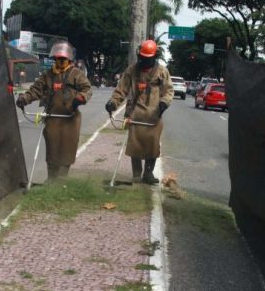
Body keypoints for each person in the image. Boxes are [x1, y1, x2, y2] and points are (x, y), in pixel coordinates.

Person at [15, 41, 93, 180]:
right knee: (52, 150)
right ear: (55, 59)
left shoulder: (76, 74)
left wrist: (81, 98)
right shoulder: (48, 75)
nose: (61, 61)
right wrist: (24, 99)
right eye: (58, 58)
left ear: (69, 59)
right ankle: (51, 180)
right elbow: (35, 90)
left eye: (63, 59)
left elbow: (87, 89)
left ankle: (62, 180)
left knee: (67, 150)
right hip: (52, 118)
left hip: (70, 119)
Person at [105, 40, 173, 184]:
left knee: (153, 146)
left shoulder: (162, 71)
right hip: (134, 114)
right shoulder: (132, 70)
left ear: (154, 57)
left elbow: (168, 91)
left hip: (154, 116)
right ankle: (136, 174)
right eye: (142, 57)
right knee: (135, 146)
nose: (144, 61)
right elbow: (121, 89)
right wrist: (113, 103)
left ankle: (148, 174)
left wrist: (164, 103)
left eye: (147, 58)